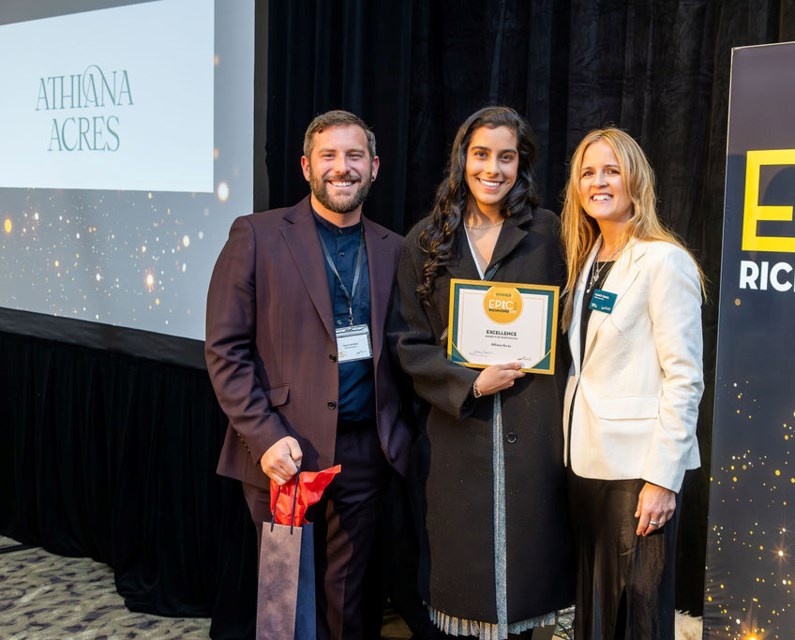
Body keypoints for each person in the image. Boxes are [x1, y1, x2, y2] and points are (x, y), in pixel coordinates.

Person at [205, 109, 413, 640]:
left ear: (374, 167)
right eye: (329, 155)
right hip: (283, 451)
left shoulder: (395, 248)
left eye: (354, 156)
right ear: (305, 166)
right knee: (286, 595)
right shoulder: (256, 234)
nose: (341, 168)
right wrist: (266, 438)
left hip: (367, 451)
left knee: (350, 597)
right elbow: (225, 349)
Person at [390, 106, 574, 639]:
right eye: (481, 155)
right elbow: (408, 341)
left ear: (522, 163)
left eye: (506, 157)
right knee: (459, 587)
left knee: (526, 587)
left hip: (532, 429)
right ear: (461, 160)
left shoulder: (547, 234)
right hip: (455, 437)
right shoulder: (426, 240)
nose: (492, 169)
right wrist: (467, 381)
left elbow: (568, 326)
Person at [559, 127, 704, 640]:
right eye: (588, 172)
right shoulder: (588, 259)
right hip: (587, 465)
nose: (598, 182)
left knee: (638, 616)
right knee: (597, 613)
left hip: (640, 474)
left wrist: (664, 479)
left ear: (634, 180)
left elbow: (685, 379)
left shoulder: (664, 261)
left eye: (611, 170)